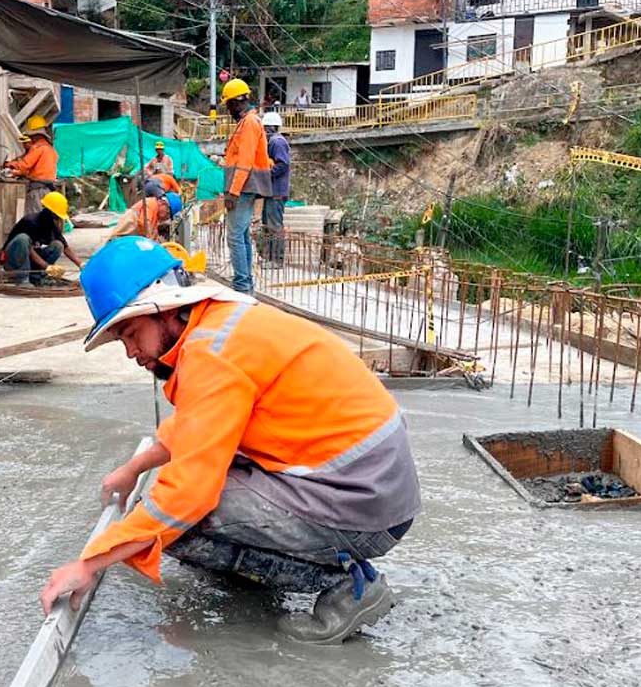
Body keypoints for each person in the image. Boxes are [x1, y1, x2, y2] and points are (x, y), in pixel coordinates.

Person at [39, 237, 420, 644]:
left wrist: (91, 562)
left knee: (179, 522)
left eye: (131, 333)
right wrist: (135, 467)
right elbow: (200, 426)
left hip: (363, 501)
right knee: (175, 497)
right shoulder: (219, 325)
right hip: (362, 480)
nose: (131, 352)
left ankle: (350, 586)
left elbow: (188, 492)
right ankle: (263, 562)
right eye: (122, 340)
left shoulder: (211, 353)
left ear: (164, 309)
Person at [219, 78, 272, 295]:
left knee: (235, 236)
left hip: (243, 188)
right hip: (246, 187)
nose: (229, 109)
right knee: (241, 235)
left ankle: (242, 286)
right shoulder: (248, 122)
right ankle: (246, 284)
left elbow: (245, 160)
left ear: (237, 101)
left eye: (229, 104)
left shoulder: (250, 123)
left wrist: (233, 190)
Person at [0, 191, 83, 285]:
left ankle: (36, 276)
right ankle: (22, 278)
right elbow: (29, 250)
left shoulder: (50, 225)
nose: (58, 218)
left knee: (58, 245)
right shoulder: (30, 222)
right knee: (23, 238)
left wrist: (80, 264)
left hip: (30, 261)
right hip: (12, 261)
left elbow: (65, 247)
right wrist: (47, 267)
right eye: (56, 216)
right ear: (50, 212)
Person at [3, 115, 59, 213]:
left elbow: (24, 165)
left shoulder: (37, 148)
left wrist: (9, 164)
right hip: (48, 188)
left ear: (35, 135)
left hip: (37, 188)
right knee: (44, 217)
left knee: (34, 216)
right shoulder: (51, 150)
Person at [261, 111, 291, 267]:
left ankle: (277, 260)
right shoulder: (272, 141)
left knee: (274, 226)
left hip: (276, 192)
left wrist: (265, 175)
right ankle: (269, 257)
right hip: (271, 191)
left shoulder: (277, 142)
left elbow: (282, 164)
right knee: (267, 224)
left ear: (270, 128)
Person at [104, 192, 182, 243]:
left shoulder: (155, 216)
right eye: (168, 214)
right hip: (118, 241)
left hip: (128, 241)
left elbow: (154, 234)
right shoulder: (151, 203)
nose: (166, 218)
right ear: (163, 204)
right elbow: (144, 224)